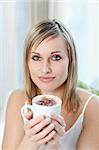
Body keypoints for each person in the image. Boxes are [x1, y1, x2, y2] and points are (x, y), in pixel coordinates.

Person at [2, 19, 99, 150]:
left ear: (70, 61)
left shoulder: (92, 106)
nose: (45, 69)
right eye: (36, 57)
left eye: (56, 57)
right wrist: (31, 141)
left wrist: (54, 146)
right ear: (27, 62)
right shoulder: (16, 99)